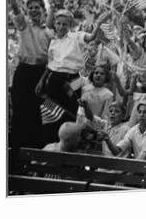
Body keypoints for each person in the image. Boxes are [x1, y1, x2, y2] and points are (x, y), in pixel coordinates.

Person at [36, 9, 110, 145]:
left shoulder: (77, 36)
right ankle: (50, 143)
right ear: (54, 24)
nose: (61, 27)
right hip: (55, 77)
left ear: (69, 25)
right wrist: (41, 80)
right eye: (58, 23)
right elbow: (50, 64)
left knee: (70, 110)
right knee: (51, 110)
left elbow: (91, 37)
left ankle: (67, 142)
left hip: (73, 79)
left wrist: (98, 24)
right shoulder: (53, 42)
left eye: (64, 24)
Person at [7, 0, 54, 157]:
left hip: (41, 75)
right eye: (31, 8)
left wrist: (43, 79)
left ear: (43, 11)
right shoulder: (23, 26)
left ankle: (34, 153)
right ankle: (16, 153)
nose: (33, 10)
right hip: (23, 73)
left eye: (37, 8)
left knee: (37, 115)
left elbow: (51, 60)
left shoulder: (50, 33)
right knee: (20, 113)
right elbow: (14, 5)